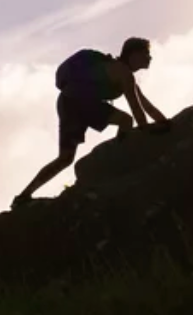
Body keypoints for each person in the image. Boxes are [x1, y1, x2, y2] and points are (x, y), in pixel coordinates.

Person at [12, 37, 170, 206]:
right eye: (146, 53)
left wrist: (164, 121)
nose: (149, 57)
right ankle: (118, 163)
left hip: (67, 102)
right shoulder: (124, 73)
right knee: (125, 120)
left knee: (65, 158)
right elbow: (137, 109)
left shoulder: (122, 73)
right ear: (134, 54)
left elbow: (146, 106)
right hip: (81, 103)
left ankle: (23, 196)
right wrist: (149, 129)